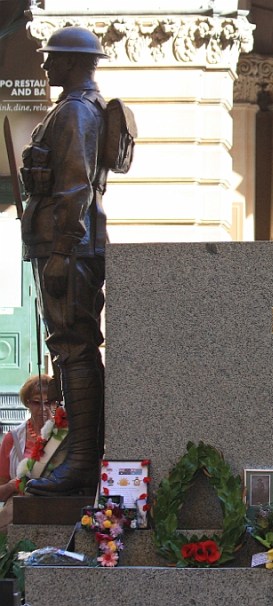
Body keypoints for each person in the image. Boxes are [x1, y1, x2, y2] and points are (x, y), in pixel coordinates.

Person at [18, 26, 110, 495]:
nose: (46, 65)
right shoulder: (76, 107)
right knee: (70, 347)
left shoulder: (74, 110)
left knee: (74, 348)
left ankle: (81, 462)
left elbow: (75, 185)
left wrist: (59, 252)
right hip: (69, 245)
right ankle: (78, 455)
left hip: (68, 247)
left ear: (74, 62)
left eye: (53, 58)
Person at [0, 375, 57, 501]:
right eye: (37, 402)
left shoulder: (63, 435)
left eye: (48, 403)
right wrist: (12, 486)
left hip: (55, 507)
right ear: (27, 402)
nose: (43, 408)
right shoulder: (12, 439)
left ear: (55, 404)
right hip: (21, 510)